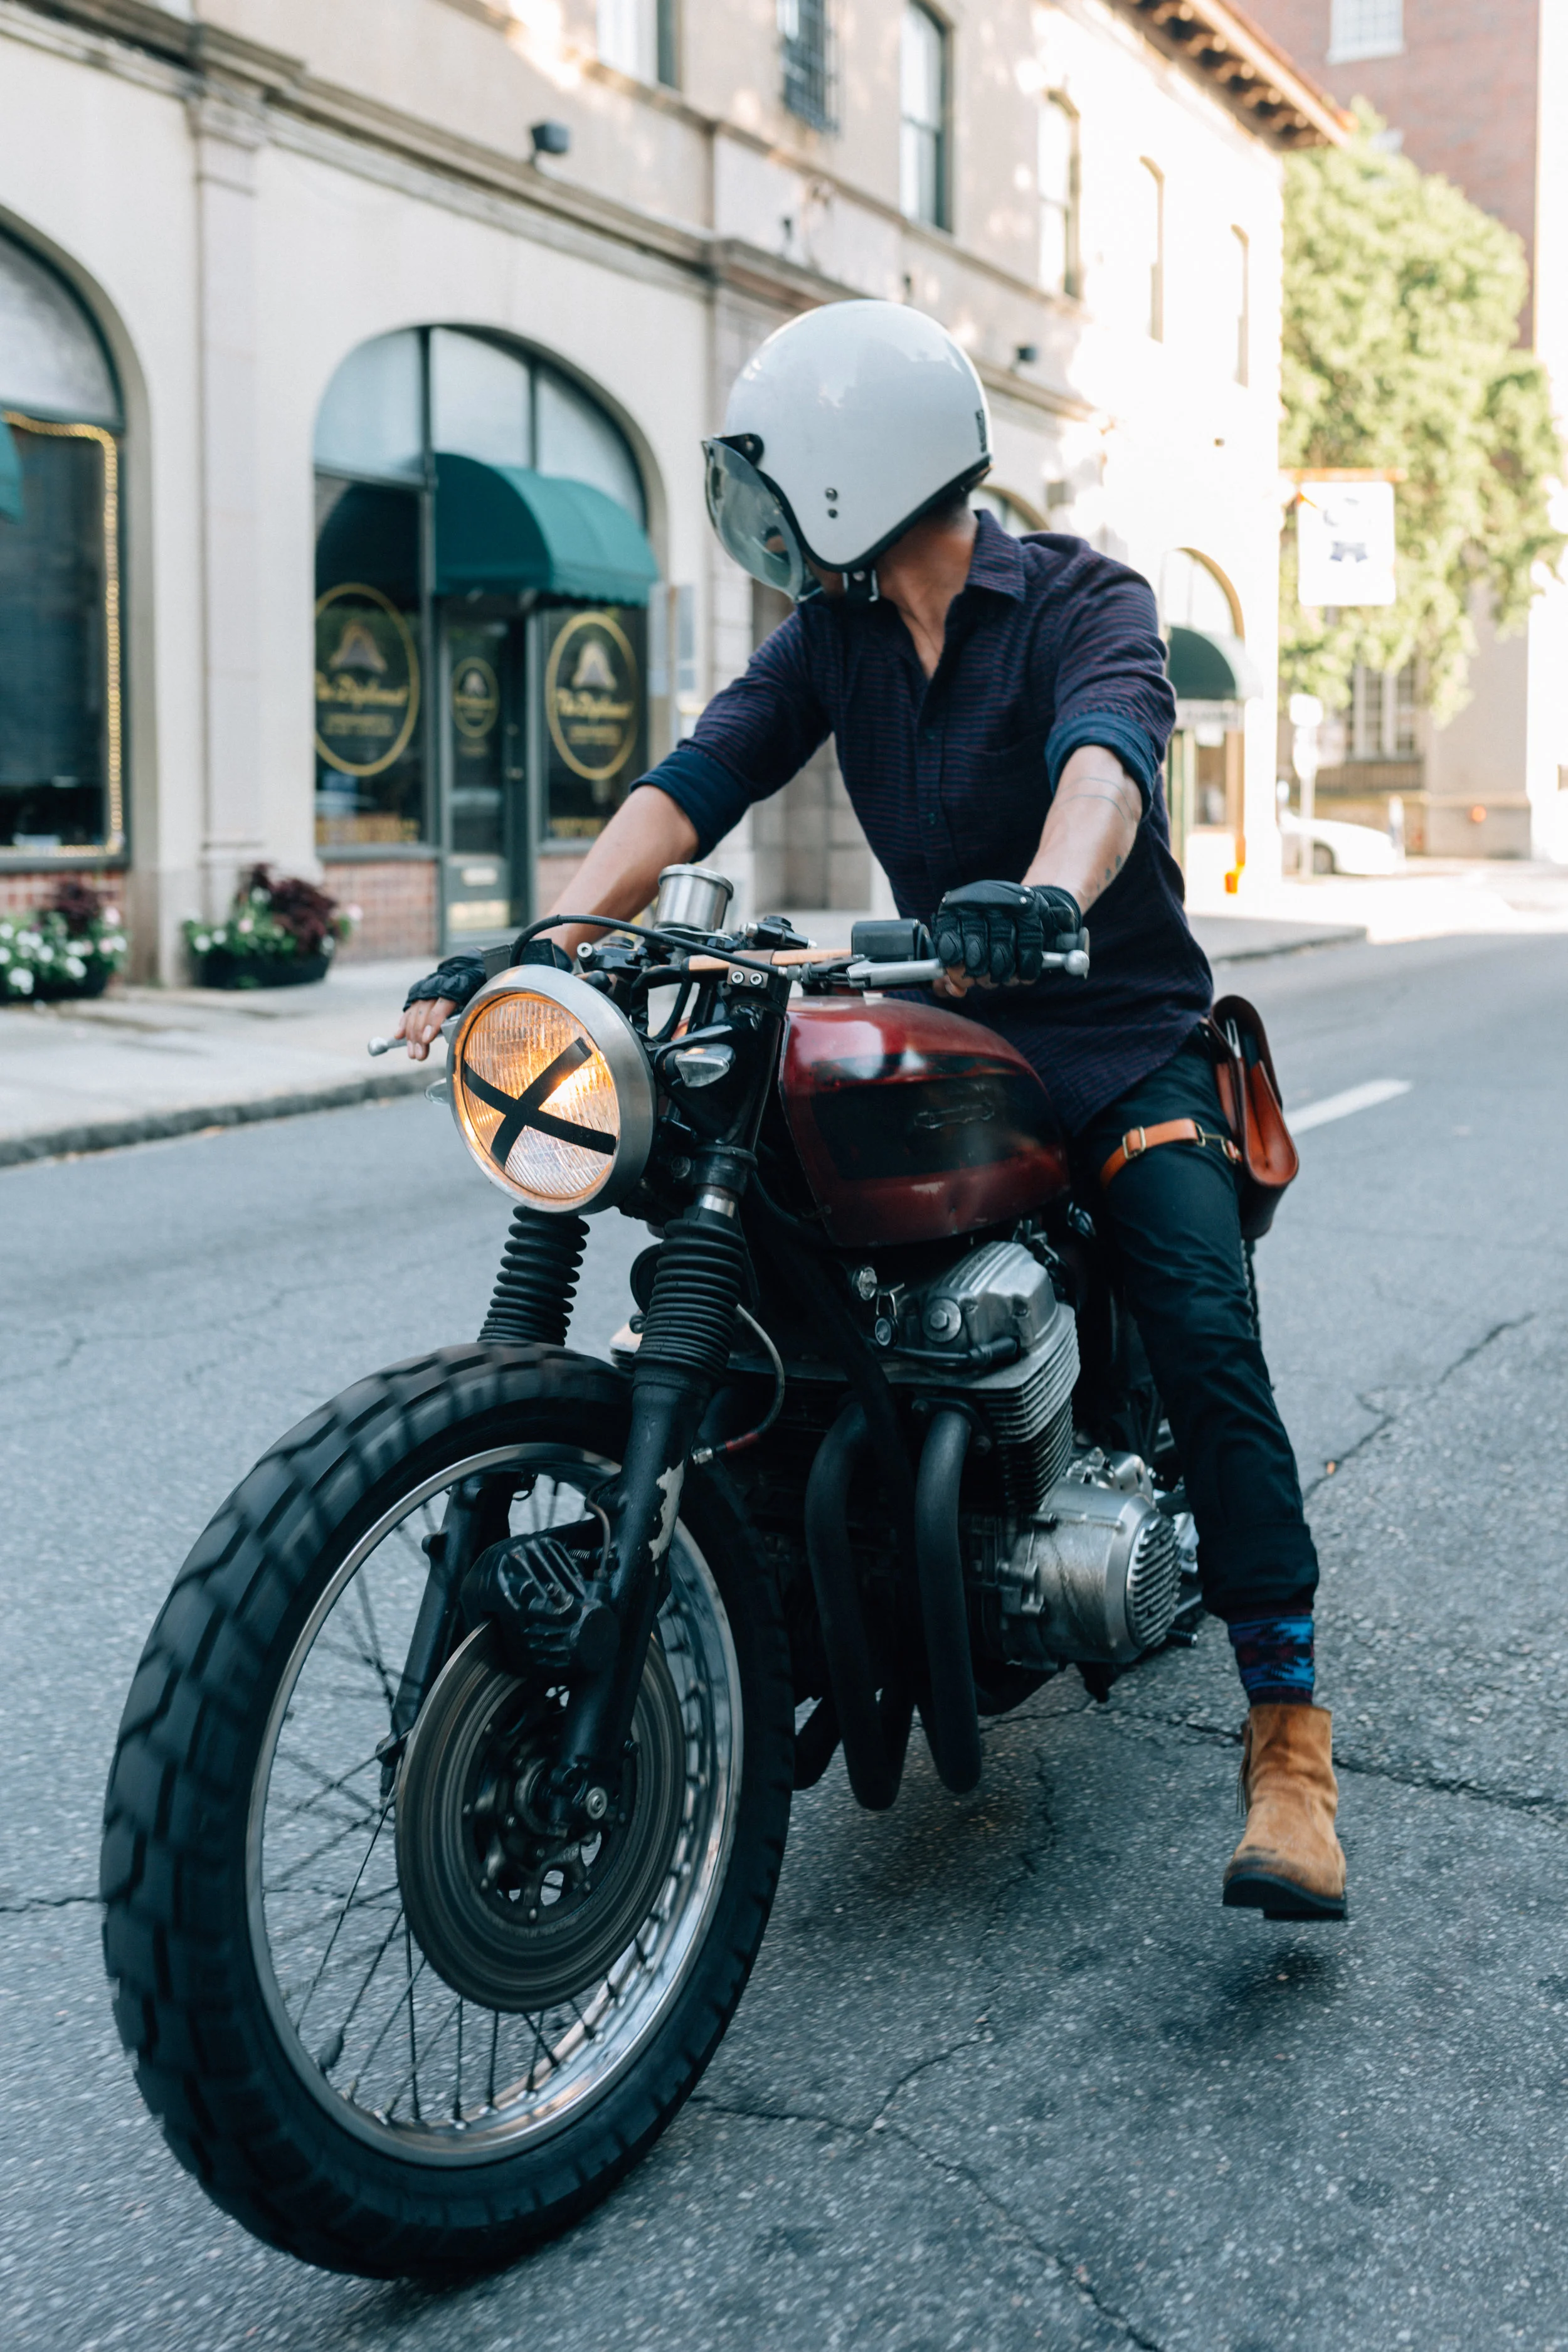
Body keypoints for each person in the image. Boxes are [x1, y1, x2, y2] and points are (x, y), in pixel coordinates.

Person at [396, 300, 1345, 1923]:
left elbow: (1104, 759)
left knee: (1198, 1313)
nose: (763, 509)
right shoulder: (831, 636)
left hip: (1113, 1032)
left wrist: (1043, 898)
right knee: (757, 1205)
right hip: (937, 1024)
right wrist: (552, 936)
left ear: (856, 468)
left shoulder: (1077, 596)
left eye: (778, 475)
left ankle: (1287, 1741)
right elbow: (701, 771)